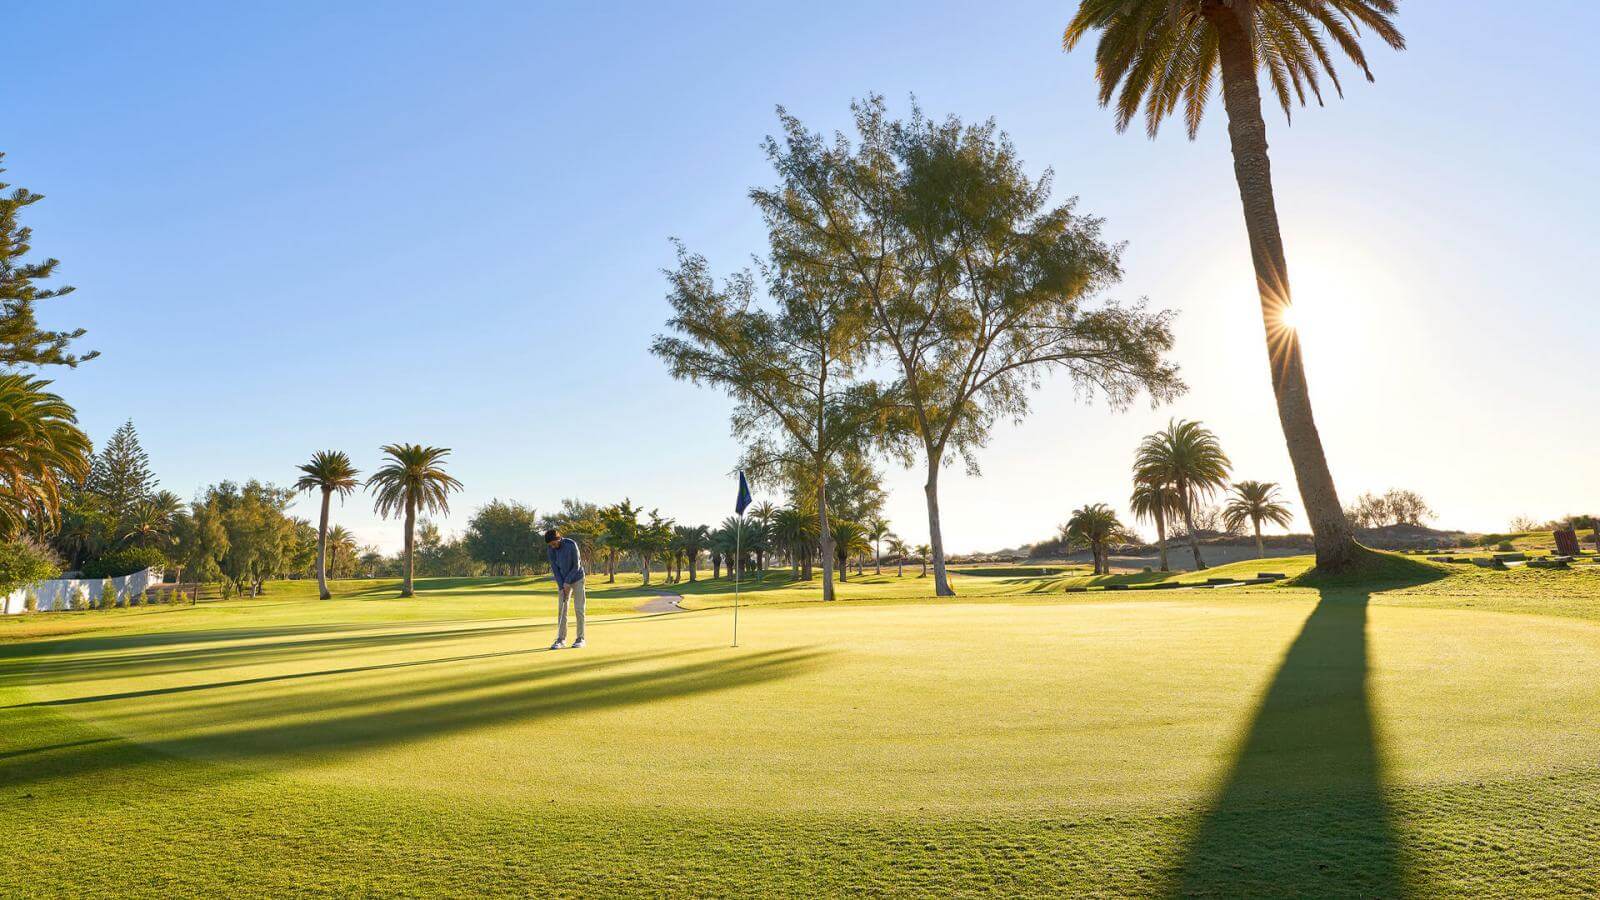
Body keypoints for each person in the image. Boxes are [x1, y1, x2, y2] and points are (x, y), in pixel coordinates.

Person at [545, 528, 586, 649]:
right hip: (563, 581)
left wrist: (568, 582)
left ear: (558, 539)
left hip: (578, 578)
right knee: (562, 609)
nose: (553, 546)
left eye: (554, 544)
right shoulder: (550, 549)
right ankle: (561, 639)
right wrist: (562, 586)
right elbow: (555, 569)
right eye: (550, 545)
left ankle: (580, 638)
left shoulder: (571, 544)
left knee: (579, 609)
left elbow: (576, 565)